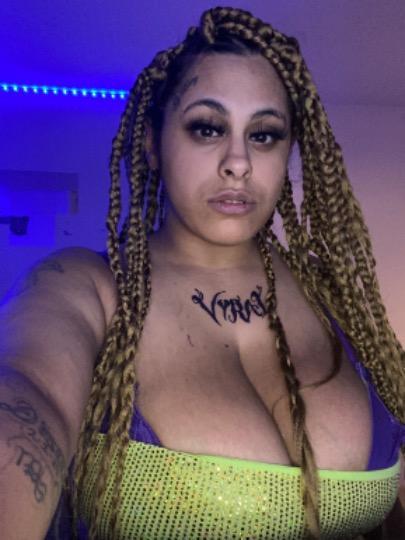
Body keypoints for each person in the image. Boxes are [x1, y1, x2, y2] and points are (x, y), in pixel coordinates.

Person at [1, 6, 404, 539]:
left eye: (264, 134)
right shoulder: (83, 287)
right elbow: (30, 394)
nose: (238, 162)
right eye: (207, 128)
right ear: (153, 143)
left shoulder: (331, 294)